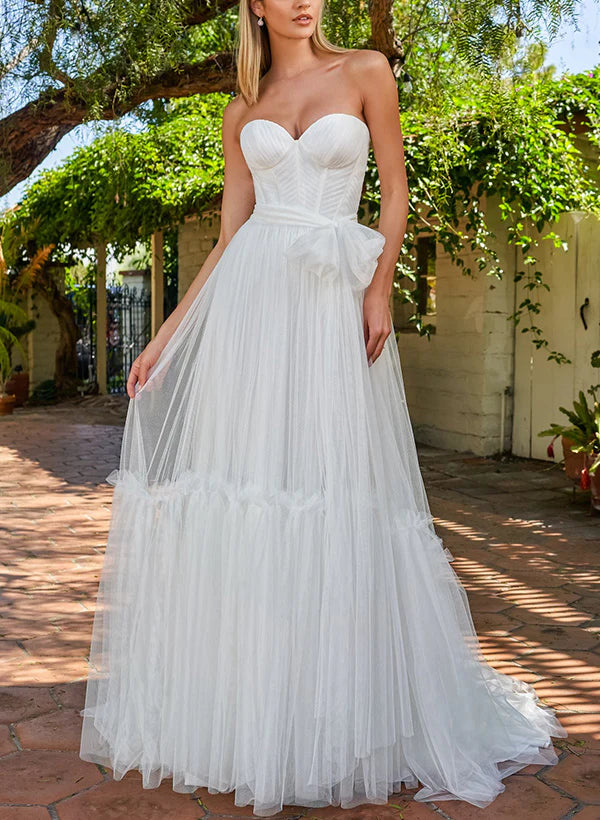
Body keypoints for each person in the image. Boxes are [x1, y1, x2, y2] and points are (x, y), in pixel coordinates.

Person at [79, 1, 568, 816]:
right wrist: (165, 335)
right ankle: (255, 712)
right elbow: (230, 235)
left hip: (331, 300)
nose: (304, 1)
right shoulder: (242, 107)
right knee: (252, 489)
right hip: (253, 308)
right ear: (256, 7)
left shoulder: (366, 71)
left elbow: (394, 190)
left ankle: (342, 712)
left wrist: (378, 290)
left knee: (334, 489)